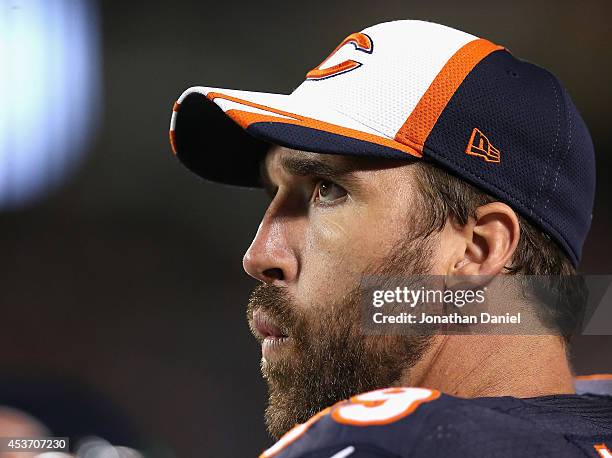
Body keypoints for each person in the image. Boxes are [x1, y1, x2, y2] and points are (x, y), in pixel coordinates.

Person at [169, 20, 611, 457]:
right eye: (274, 194)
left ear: (478, 249)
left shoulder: (393, 445)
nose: (259, 254)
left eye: (326, 189)